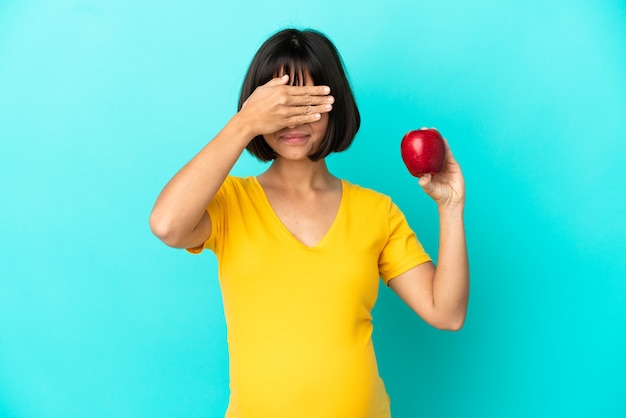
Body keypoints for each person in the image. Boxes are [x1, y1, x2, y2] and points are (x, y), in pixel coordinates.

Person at [149, 28, 468, 418]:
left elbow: (447, 313)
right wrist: (243, 123)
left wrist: (450, 208)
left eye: (309, 103)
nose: (293, 120)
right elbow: (167, 225)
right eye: (281, 104)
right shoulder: (231, 203)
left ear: (335, 105)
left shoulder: (375, 211)